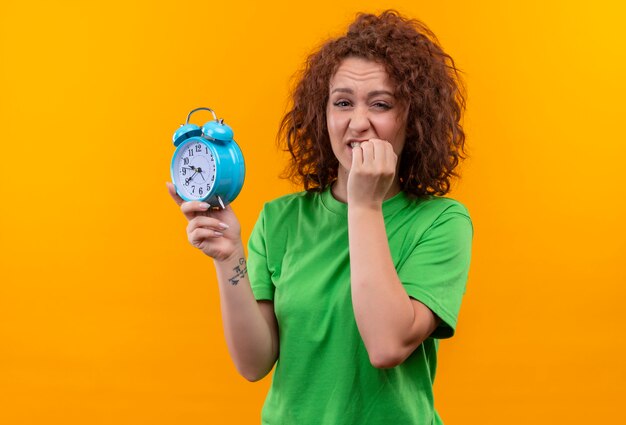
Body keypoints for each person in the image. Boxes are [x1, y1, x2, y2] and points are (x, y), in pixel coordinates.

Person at [167, 10, 473, 425]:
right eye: (342, 102)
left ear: (413, 120)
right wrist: (228, 257)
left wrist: (365, 205)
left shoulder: (441, 222)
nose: (357, 122)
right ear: (322, 115)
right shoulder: (280, 219)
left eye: (380, 104)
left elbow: (386, 345)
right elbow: (254, 364)